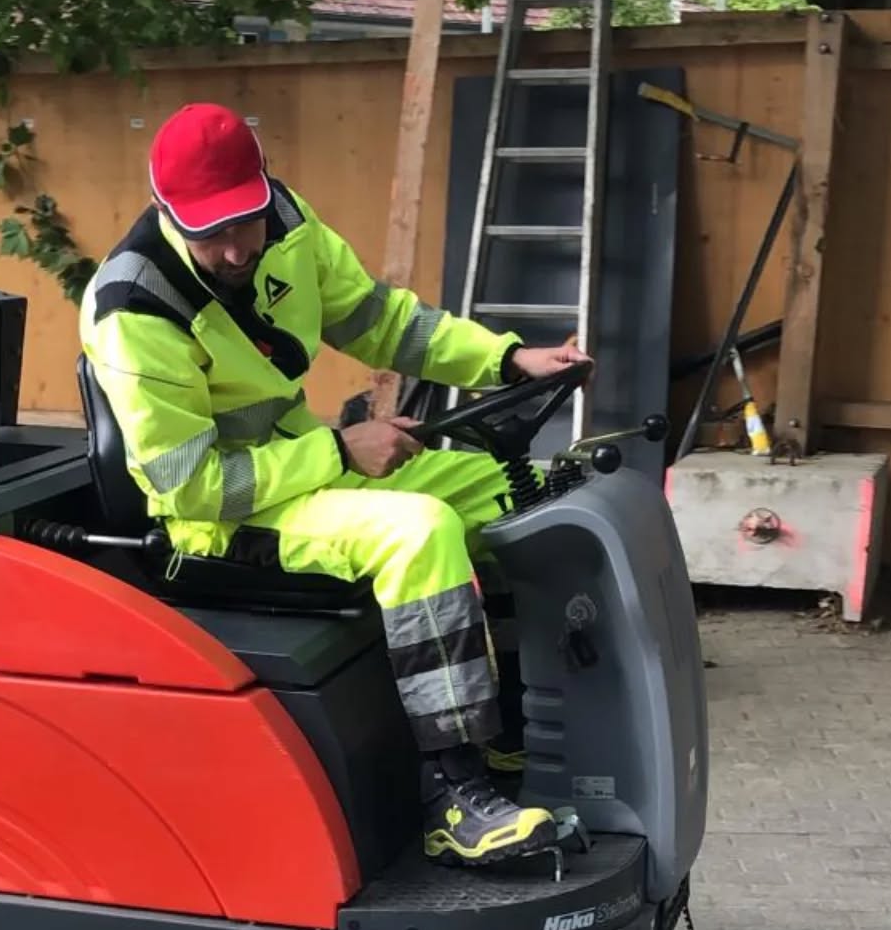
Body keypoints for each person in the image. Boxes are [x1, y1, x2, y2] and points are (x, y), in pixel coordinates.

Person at [79, 101, 592, 868]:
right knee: (418, 532)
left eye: (241, 223)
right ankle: (453, 794)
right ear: (164, 210)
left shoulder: (286, 223)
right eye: (206, 232)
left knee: (520, 491)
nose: (229, 249)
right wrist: (340, 453)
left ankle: (513, 721)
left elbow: (381, 323)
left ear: (263, 191)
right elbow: (190, 489)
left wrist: (507, 358)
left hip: (305, 471)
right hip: (219, 522)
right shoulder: (134, 307)